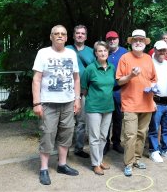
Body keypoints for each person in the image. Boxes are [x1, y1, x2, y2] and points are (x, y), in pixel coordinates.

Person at [32, 25, 81, 185]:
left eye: (63, 34)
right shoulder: (43, 53)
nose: (60, 36)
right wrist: (36, 102)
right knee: (47, 134)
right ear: (51, 36)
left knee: (67, 133)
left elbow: (76, 78)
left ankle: (62, 164)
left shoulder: (72, 54)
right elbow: (37, 79)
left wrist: (77, 99)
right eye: (56, 34)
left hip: (68, 102)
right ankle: (44, 169)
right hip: (48, 103)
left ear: (67, 38)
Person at [116, 29, 157, 177]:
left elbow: (153, 80)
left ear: (145, 43)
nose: (138, 42)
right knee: (130, 135)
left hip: (146, 103)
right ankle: (128, 164)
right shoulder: (125, 58)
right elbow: (119, 81)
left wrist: (153, 89)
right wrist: (131, 75)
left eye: (141, 40)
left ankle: (137, 159)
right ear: (131, 42)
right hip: (130, 103)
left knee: (141, 134)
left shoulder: (148, 59)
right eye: (135, 40)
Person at [81, 41, 115, 176]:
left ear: (108, 52)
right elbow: (83, 88)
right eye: (100, 51)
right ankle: (95, 164)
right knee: (94, 137)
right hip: (94, 107)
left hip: (108, 106)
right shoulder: (90, 68)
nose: (103, 53)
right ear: (96, 53)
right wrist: (92, 99)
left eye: (105, 51)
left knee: (103, 137)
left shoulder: (112, 67)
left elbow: (114, 84)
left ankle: (100, 160)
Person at [66, 25, 95, 158]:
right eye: (77, 33)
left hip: (83, 92)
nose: (80, 35)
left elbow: (94, 71)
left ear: (86, 36)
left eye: (82, 33)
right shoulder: (66, 50)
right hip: (66, 91)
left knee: (81, 121)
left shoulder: (91, 52)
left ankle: (78, 148)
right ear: (73, 35)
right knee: (65, 122)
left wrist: (88, 88)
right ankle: (64, 148)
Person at [104, 30, 128, 154]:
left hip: (120, 90)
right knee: (106, 118)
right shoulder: (103, 52)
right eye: (109, 39)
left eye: (114, 39)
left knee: (118, 117)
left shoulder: (125, 53)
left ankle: (116, 142)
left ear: (118, 39)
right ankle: (106, 143)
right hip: (106, 91)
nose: (112, 41)